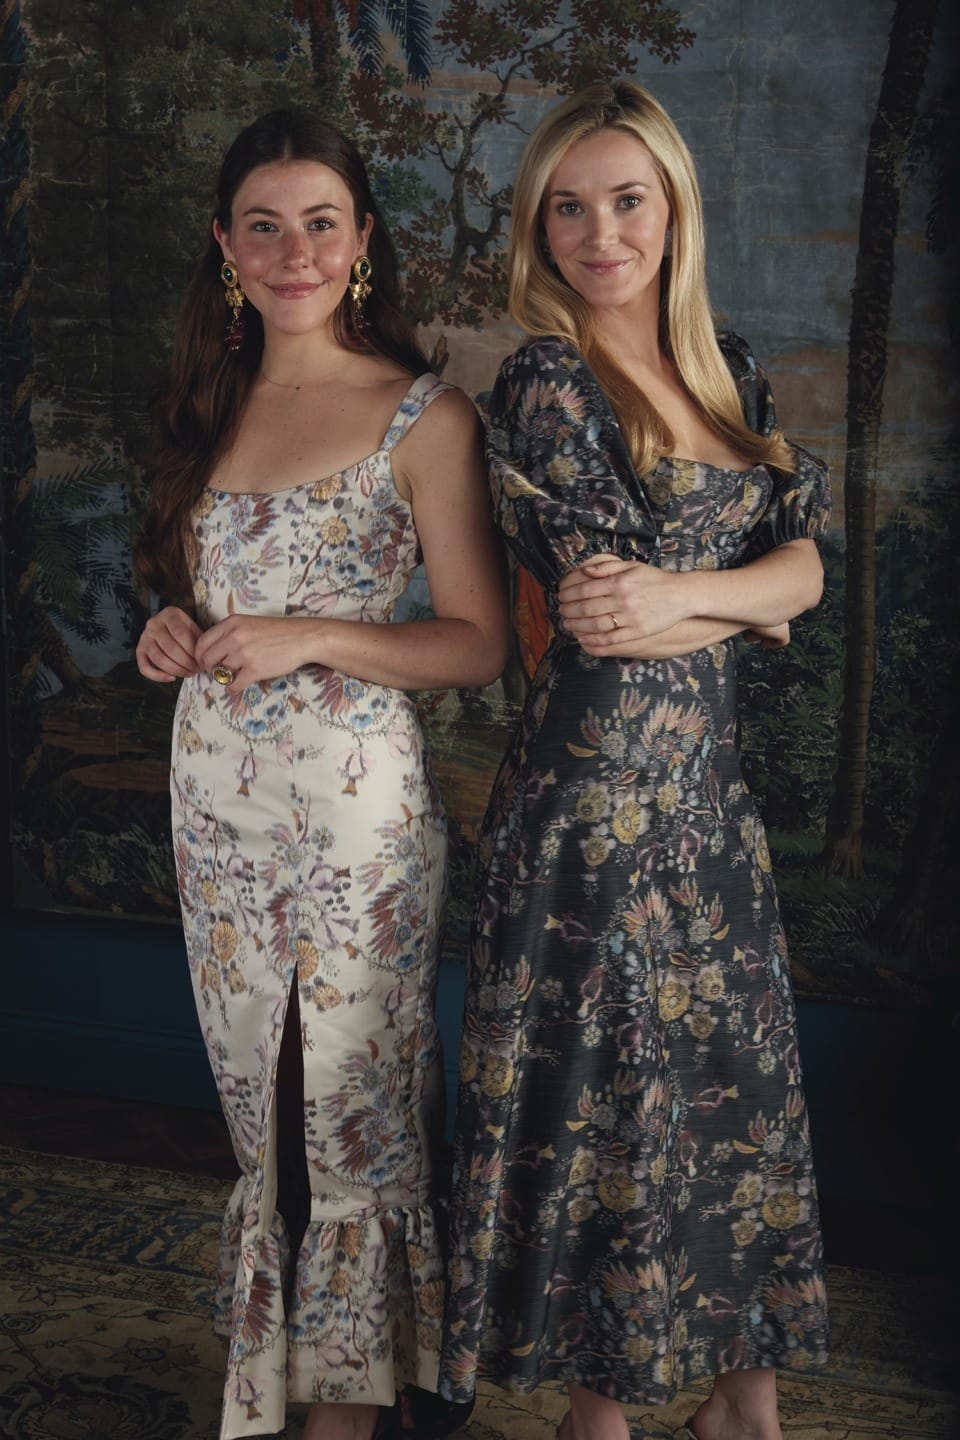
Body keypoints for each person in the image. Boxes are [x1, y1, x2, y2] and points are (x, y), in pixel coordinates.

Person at [440, 80, 830, 1440]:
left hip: (707, 806)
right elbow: (613, 615)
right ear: (537, 229)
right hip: (592, 811)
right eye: (569, 208)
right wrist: (747, 597)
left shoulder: (730, 369)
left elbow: (807, 574)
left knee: (735, 1103)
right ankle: (594, 1420)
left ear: (674, 209)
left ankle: (744, 1408)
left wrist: (703, 594)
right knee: (622, 1114)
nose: (600, 234)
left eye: (627, 200)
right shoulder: (548, 381)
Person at [134, 109, 508, 1440]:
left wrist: (313, 635)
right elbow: (201, 597)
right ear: (225, 247)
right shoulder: (207, 402)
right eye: (265, 226)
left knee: (343, 1096)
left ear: (363, 243)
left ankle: (347, 1411)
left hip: (356, 814)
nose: (295, 253)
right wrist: (170, 628)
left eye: (322, 224)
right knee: (262, 1103)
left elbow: (477, 641)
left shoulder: (424, 415)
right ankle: (287, 1384)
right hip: (217, 801)